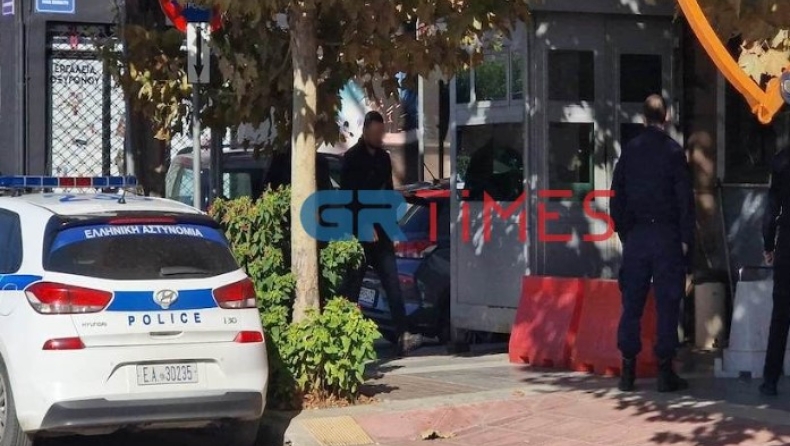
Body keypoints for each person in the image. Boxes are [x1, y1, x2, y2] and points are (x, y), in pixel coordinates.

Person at [610, 94, 695, 393]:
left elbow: (616, 196)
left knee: (632, 302)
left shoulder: (630, 151)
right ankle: (664, 371)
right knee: (667, 303)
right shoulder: (673, 152)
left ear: (643, 118)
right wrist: (685, 239)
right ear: (666, 117)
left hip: (637, 236)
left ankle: (627, 371)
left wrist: (625, 232)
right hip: (666, 236)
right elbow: (685, 200)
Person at [340, 111, 423, 356]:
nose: (379, 137)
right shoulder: (352, 158)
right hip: (360, 233)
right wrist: (362, 225)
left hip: (382, 232)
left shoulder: (384, 159)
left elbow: (385, 191)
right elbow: (348, 198)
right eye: (375, 133)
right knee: (353, 286)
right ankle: (343, 337)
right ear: (365, 131)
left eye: (381, 133)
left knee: (392, 284)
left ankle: (402, 335)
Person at [760, 146, 790, 396]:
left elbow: (771, 209)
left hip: (788, 244)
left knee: (780, 315)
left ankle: (770, 379)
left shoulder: (782, 159)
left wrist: (768, 244)